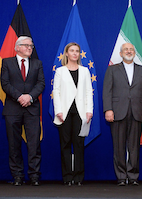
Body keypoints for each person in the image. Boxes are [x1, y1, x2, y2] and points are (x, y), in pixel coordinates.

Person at [103, 43, 142, 186]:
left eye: (131, 49)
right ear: (120, 53)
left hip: (137, 112)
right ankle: (121, 177)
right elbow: (107, 91)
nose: (129, 51)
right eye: (126, 49)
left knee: (134, 146)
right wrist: (108, 109)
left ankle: (133, 176)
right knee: (118, 146)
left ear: (134, 53)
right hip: (117, 112)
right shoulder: (112, 70)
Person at [1, 36, 45, 186]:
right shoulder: (7, 63)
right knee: (14, 144)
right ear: (17, 47)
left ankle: (34, 176)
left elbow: (41, 84)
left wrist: (30, 97)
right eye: (26, 45)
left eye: (31, 46)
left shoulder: (37, 63)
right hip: (13, 108)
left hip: (32, 109)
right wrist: (19, 97)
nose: (29, 48)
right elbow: (5, 84)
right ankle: (17, 176)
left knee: (34, 144)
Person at [52, 42, 93, 186]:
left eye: (77, 51)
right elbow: (56, 91)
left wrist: (89, 110)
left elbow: (89, 91)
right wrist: (58, 111)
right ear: (67, 53)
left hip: (81, 113)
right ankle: (67, 177)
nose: (75, 53)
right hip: (64, 113)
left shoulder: (85, 71)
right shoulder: (60, 71)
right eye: (72, 51)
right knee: (65, 145)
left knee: (79, 144)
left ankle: (79, 177)